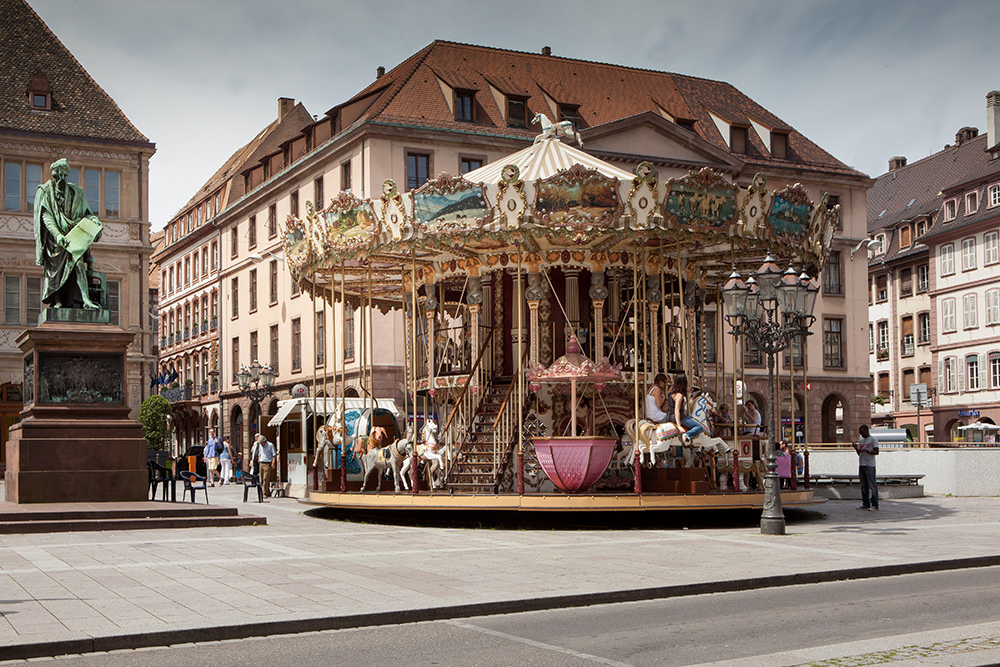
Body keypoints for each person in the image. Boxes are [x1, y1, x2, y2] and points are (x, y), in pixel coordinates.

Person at [33, 158, 103, 309]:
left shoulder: (76, 192)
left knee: (78, 265)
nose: (62, 178)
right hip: (55, 240)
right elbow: (47, 216)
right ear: (54, 174)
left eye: (65, 175)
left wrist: (94, 220)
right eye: (59, 175)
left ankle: (84, 299)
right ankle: (57, 300)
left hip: (73, 236)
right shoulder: (45, 191)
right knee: (53, 271)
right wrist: (58, 235)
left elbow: (86, 214)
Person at [667, 374, 704, 444]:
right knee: (700, 427)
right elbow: (677, 410)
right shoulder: (679, 395)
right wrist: (679, 425)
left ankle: (679, 453)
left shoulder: (670, 391)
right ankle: (687, 435)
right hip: (679, 417)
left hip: (669, 416)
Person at [854, 424, 880, 511]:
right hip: (862, 464)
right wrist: (856, 448)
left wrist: (866, 450)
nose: (861, 434)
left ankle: (875, 504)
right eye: (860, 433)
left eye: (862, 432)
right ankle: (865, 503)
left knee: (872, 485)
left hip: (870, 465)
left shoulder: (873, 439)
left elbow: (876, 451)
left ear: (866, 431)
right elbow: (859, 453)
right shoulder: (861, 440)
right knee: (863, 485)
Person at [252, 433, 278, 498]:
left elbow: (274, 455)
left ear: (264, 441)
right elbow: (260, 452)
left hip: (267, 463)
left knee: (265, 478)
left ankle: (264, 493)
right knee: (262, 479)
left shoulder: (270, 445)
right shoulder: (260, 446)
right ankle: (268, 491)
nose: (261, 444)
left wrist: (273, 463)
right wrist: (259, 458)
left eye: (262, 443)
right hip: (261, 462)